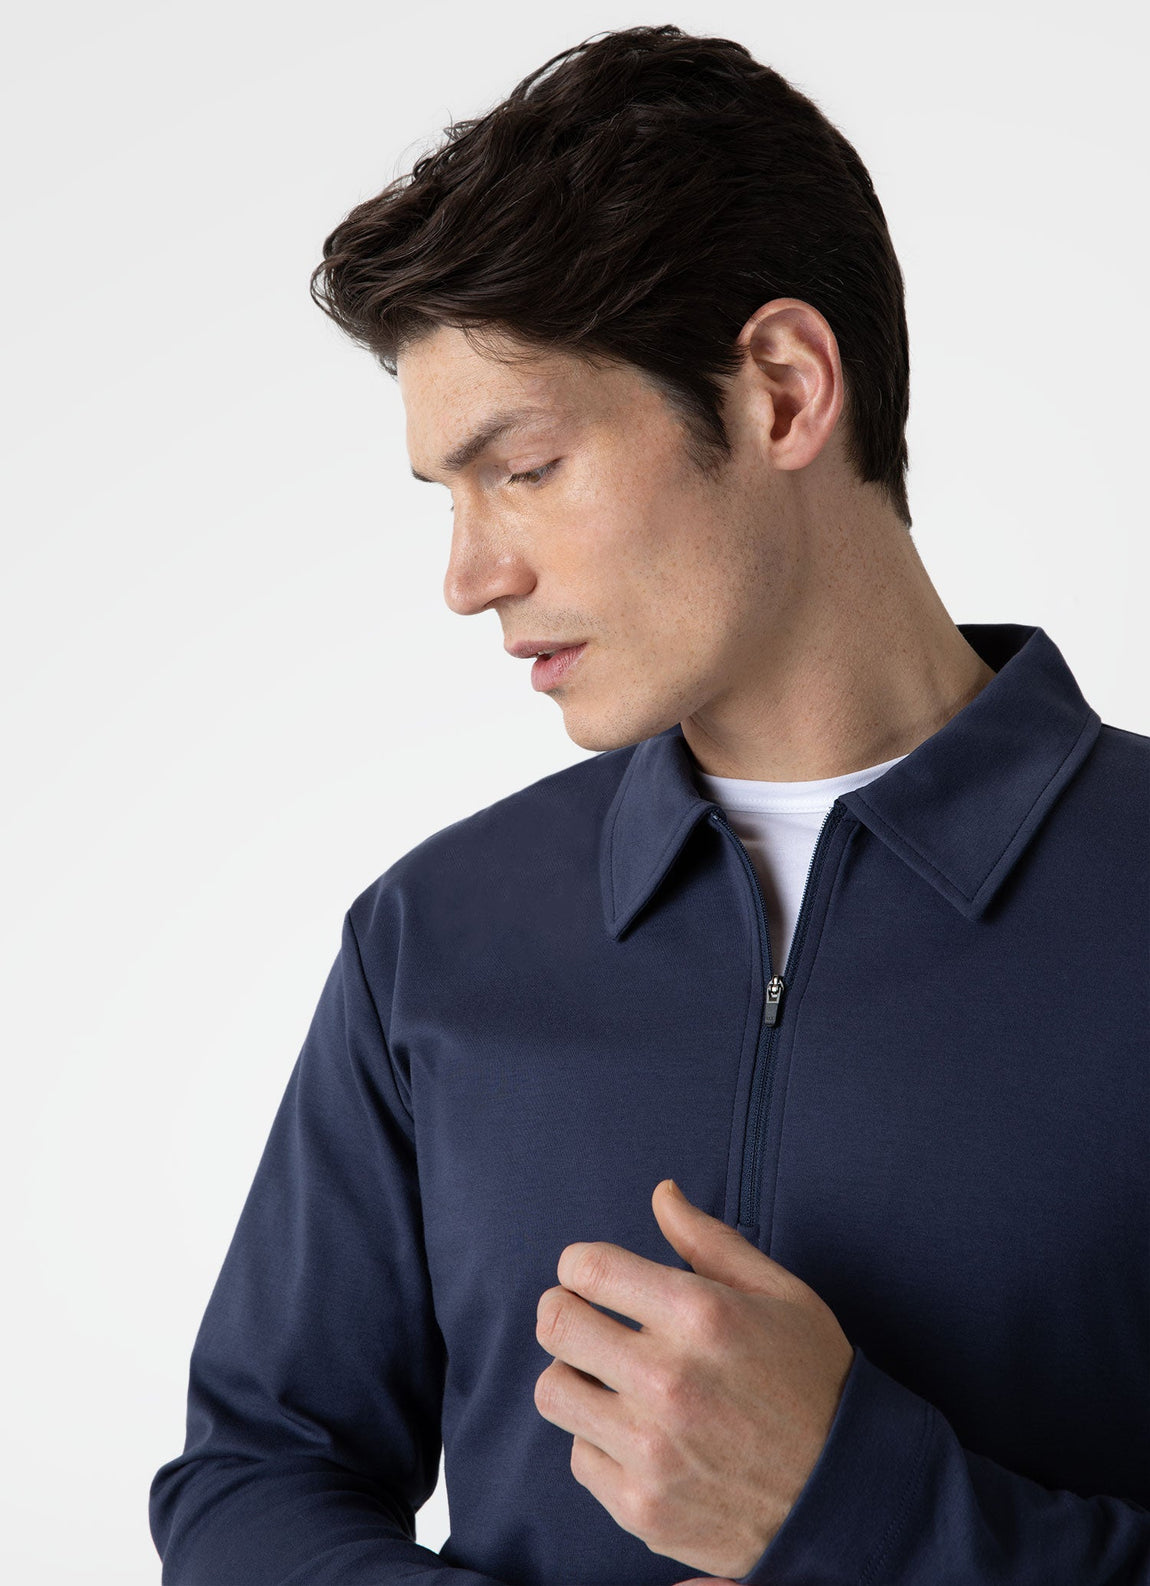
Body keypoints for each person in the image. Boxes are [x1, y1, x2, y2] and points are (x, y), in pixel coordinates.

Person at [148, 23, 1149, 1586]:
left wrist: (862, 1514)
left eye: (525, 466)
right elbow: (252, 1481)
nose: (470, 575)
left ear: (779, 391)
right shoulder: (434, 938)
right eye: (448, 497)